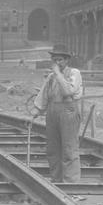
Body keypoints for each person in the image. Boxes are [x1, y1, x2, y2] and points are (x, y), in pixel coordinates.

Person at [30, 43, 83, 189]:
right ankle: (57, 182)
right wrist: (35, 112)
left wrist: (58, 74)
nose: (57, 62)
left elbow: (68, 91)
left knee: (69, 149)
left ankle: (71, 185)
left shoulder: (74, 73)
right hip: (52, 112)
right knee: (53, 149)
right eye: (55, 60)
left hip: (68, 111)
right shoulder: (51, 77)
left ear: (67, 60)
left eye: (60, 60)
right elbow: (43, 96)